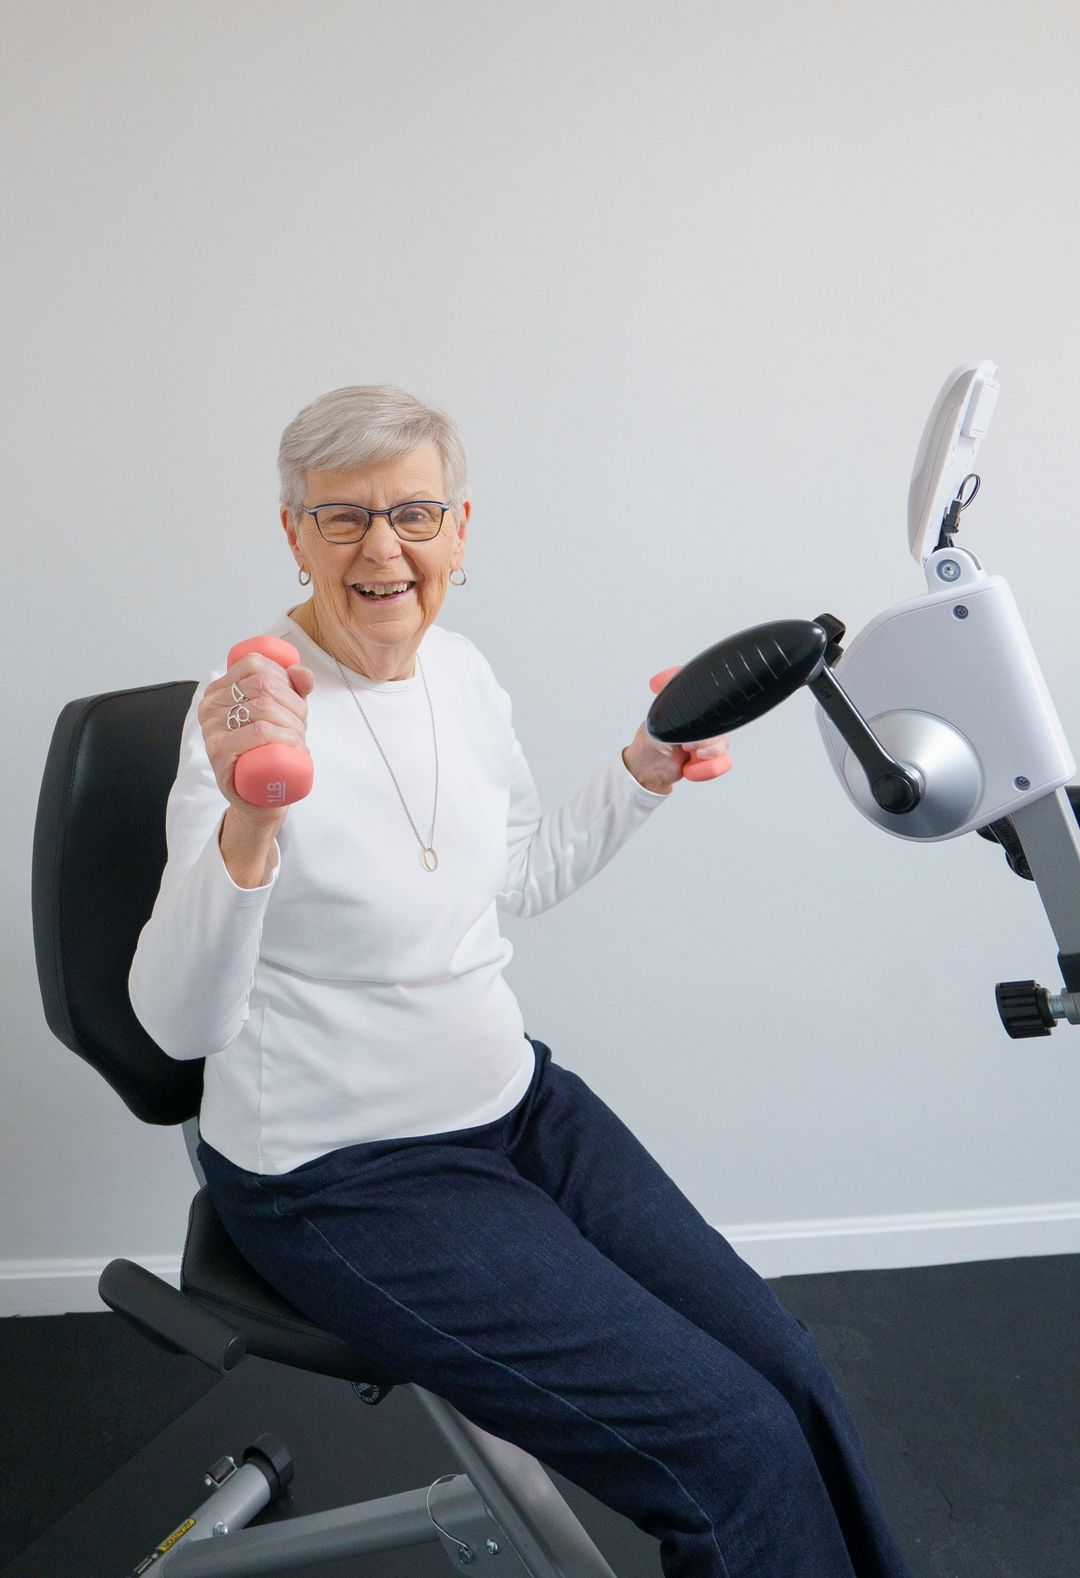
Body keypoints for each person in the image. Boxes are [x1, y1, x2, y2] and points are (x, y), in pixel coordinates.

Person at [128, 384, 912, 1578]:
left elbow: (521, 876)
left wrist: (646, 767)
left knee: (791, 1374)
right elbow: (176, 1023)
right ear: (293, 533)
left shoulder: (464, 673)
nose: (383, 549)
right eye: (342, 519)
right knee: (728, 1446)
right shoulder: (243, 718)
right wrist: (249, 815)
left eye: (414, 513)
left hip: (515, 1108)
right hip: (344, 1177)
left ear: (461, 527)